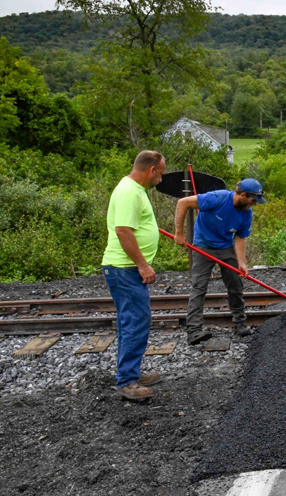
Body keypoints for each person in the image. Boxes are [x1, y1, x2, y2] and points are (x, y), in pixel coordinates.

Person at [102, 150, 167, 400]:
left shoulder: (134, 189)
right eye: (160, 174)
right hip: (124, 269)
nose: (160, 179)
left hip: (124, 268)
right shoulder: (130, 192)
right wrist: (142, 264)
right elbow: (123, 231)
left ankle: (132, 372)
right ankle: (127, 381)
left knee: (132, 320)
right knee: (135, 320)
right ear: (151, 170)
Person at [173, 179, 265, 345]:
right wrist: (178, 233)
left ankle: (239, 324)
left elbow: (240, 237)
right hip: (203, 246)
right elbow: (183, 202)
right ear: (243, 195)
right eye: (253, 200)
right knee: (199, 287)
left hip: (226, 247)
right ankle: (194, 331)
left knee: (235, 285)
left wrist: (242, 262)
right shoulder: (218, 198)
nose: (255, 204)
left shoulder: (246, 213)